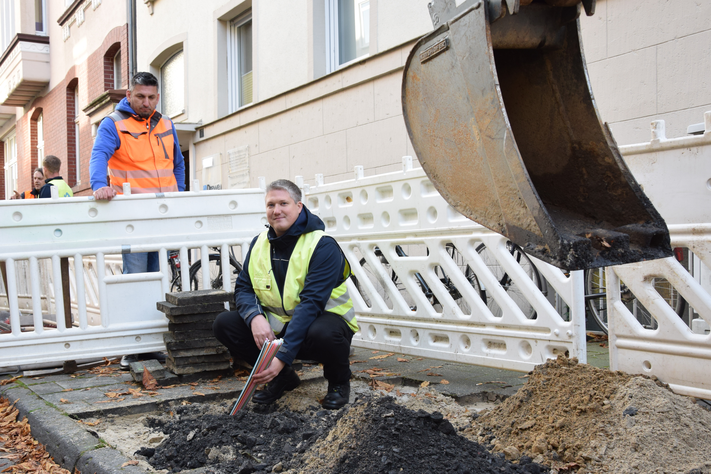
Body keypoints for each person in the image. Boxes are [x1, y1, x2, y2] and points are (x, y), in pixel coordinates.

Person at [213, 179, 358, 410]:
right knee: (224, 323)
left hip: (320, 323)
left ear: (299, 207)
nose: (276, 210)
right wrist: (255, 318)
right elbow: (244, 288)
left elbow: (311, 304)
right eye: (271, 205)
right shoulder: (259, 243)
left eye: (283, 203)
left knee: (324, 333)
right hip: (279, 327)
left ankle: (338, 383)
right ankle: (283, 378)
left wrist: (282, 356)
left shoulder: (322, 246)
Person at [89, 71, 185, 369]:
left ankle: (153, 343)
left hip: (161, 215)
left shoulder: (166, 123)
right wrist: (97, 185)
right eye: (140, 96)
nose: (146, 102)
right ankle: (133, 347)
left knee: (159, 280)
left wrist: (178, 194)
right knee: (136, 279)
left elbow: (177, 163)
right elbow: (99, 154)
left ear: (158, 97)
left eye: (152, 97)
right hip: (132, 216)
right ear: (128, 95)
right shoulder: (113, 122)